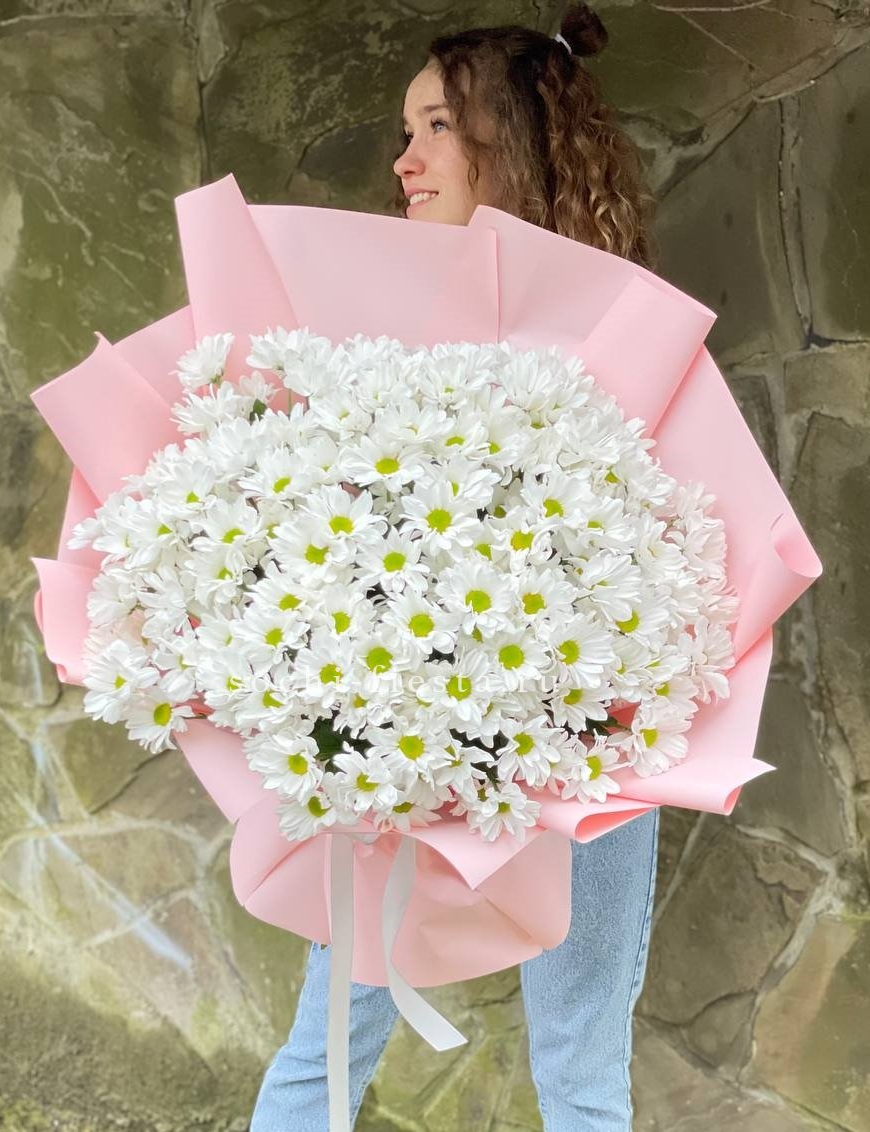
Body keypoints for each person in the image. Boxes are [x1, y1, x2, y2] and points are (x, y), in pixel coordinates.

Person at [250, 5, 661, 1129]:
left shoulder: (624, 339)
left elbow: (676, 556)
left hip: (590, 737)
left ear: (513, 144)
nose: (405, 158)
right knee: (327, 1039)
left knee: (582, 1064)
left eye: (438, 125)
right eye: (406, 130)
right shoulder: (372, 335)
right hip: (397, 737)